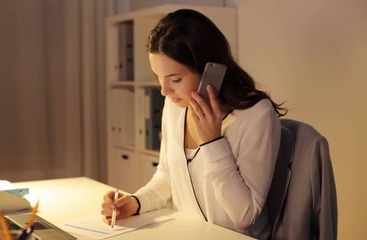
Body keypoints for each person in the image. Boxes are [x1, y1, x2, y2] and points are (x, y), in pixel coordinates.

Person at [100, 8, 287, 239]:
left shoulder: (256, 115)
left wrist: (212, 143)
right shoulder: (175, 106)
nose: (165, 91)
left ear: (211, 70)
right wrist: (135, 202)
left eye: (175, 79)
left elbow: (245, 216)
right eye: (159, 78)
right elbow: (167, 176)